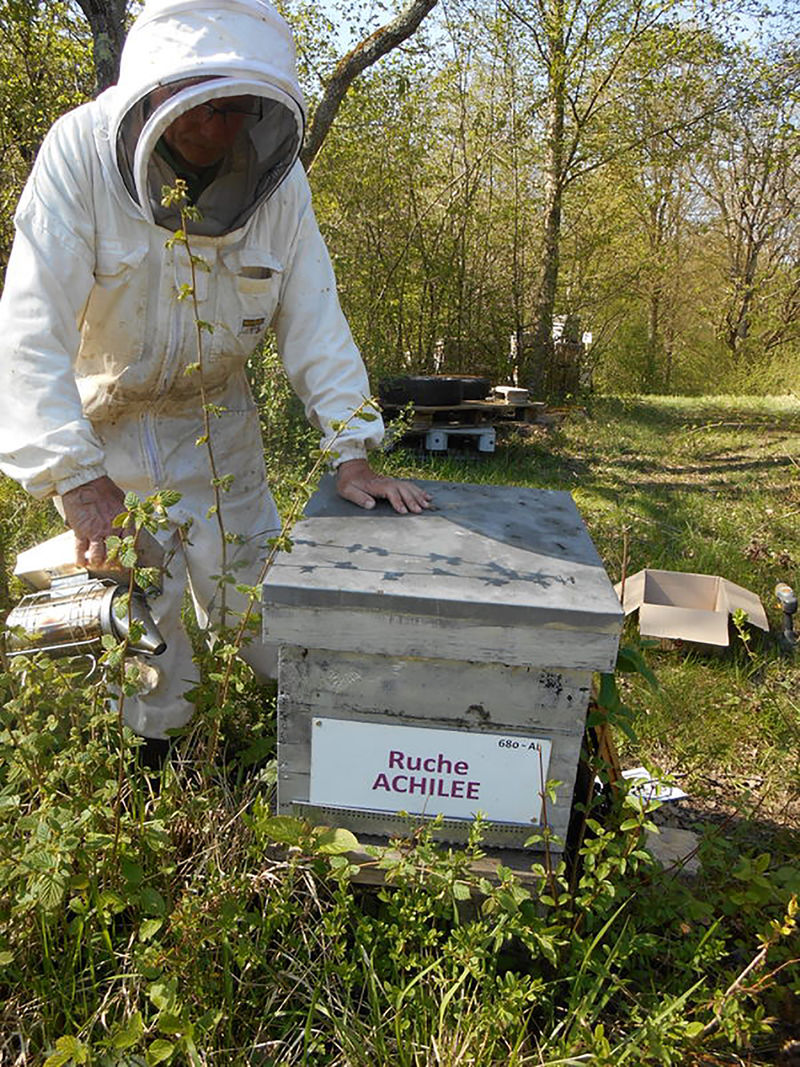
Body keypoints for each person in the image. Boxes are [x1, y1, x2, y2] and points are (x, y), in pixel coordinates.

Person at [0, 0, 431, 749]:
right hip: (110, 438)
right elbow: (27, 331)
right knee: (143, 628)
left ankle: (296, 754)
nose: (216, 129)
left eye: (237, 111)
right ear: (153, 92)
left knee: (262, 616)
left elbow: (313, 313)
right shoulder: (79, 155)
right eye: (201, 107)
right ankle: (157, 777)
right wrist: (75, 478)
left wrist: (351, 445)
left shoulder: (277, 184)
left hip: (218, 428)